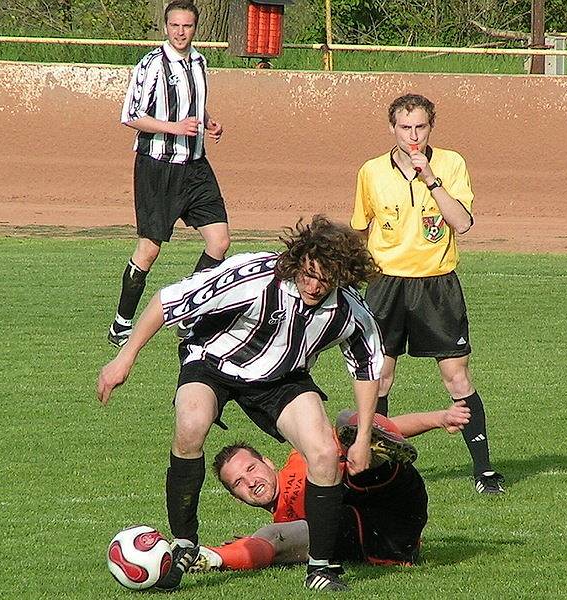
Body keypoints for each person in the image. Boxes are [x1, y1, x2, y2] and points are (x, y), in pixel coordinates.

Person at [97, 215, 384, 592]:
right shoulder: (254, 276)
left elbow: (366, 370)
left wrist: (363, 436)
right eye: (309, 273)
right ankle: (184, 542)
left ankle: (322, 568)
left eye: (326, 278)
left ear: (342, 275)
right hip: (214, 363)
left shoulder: (349, 310)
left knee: (325, 453)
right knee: (191, 423)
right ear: (297, 260)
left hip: (281, 379)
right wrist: (126, 357)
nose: (314, 285)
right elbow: (167, 301)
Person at [350, 93, 504, 495]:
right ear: (392, 129)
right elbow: (360, 229)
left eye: (420, 127)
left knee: (457, 377)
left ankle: (484, 471)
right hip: (386, 285)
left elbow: (462, 222)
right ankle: (376, 468)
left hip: (437, 284)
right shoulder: (371, 171)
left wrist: (431, 179)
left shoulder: (451, 164)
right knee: (380, 377)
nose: (413, 135)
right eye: (405, 127)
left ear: (431, 127)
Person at [183, 402, 471, 575]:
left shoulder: (304, 455)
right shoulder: (283, 522)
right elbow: (269, 543)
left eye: (251, 469)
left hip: (392, 495)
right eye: (238, 483)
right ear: (237, 498)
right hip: (383, 539)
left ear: (268, 463)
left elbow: (388, 425)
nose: (251, 482)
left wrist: (439, 419)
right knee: (281, 534)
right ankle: (207, 557)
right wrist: (227, 553)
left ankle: (374, 455)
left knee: (351, 429)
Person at [108, 0, 231, 348]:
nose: (181, 32)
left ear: (195, 29)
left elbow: (194, 101)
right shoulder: (151, 65)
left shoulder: (200, 62)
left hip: (195, 166)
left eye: (187, 26)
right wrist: (173, 127)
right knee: (149, 250)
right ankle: (121, 322)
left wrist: (208, 121)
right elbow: (131, 115)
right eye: (175, 26)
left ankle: (189, 313)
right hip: (157, 167)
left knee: (219, 241)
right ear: (166, 27)